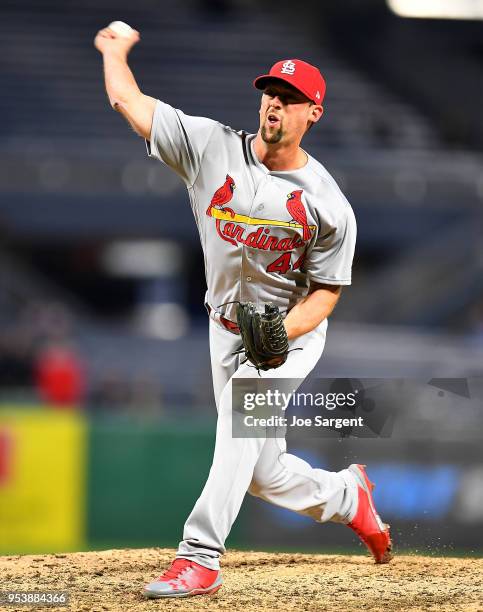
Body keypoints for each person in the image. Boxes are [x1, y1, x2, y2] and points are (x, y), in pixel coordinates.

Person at [94, 24, 392, 599]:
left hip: (289, 333)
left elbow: (327, 294)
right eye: (270, 92)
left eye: (290, 97)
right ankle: (349, 496)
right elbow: (128, 102)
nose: (275, 102)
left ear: (314, 114)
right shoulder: (210, 146)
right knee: (262, 473)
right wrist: (113, 51)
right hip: (223, 326)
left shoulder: (329, 204)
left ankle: (199, 556)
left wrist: (280, 333)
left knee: (238, 419)